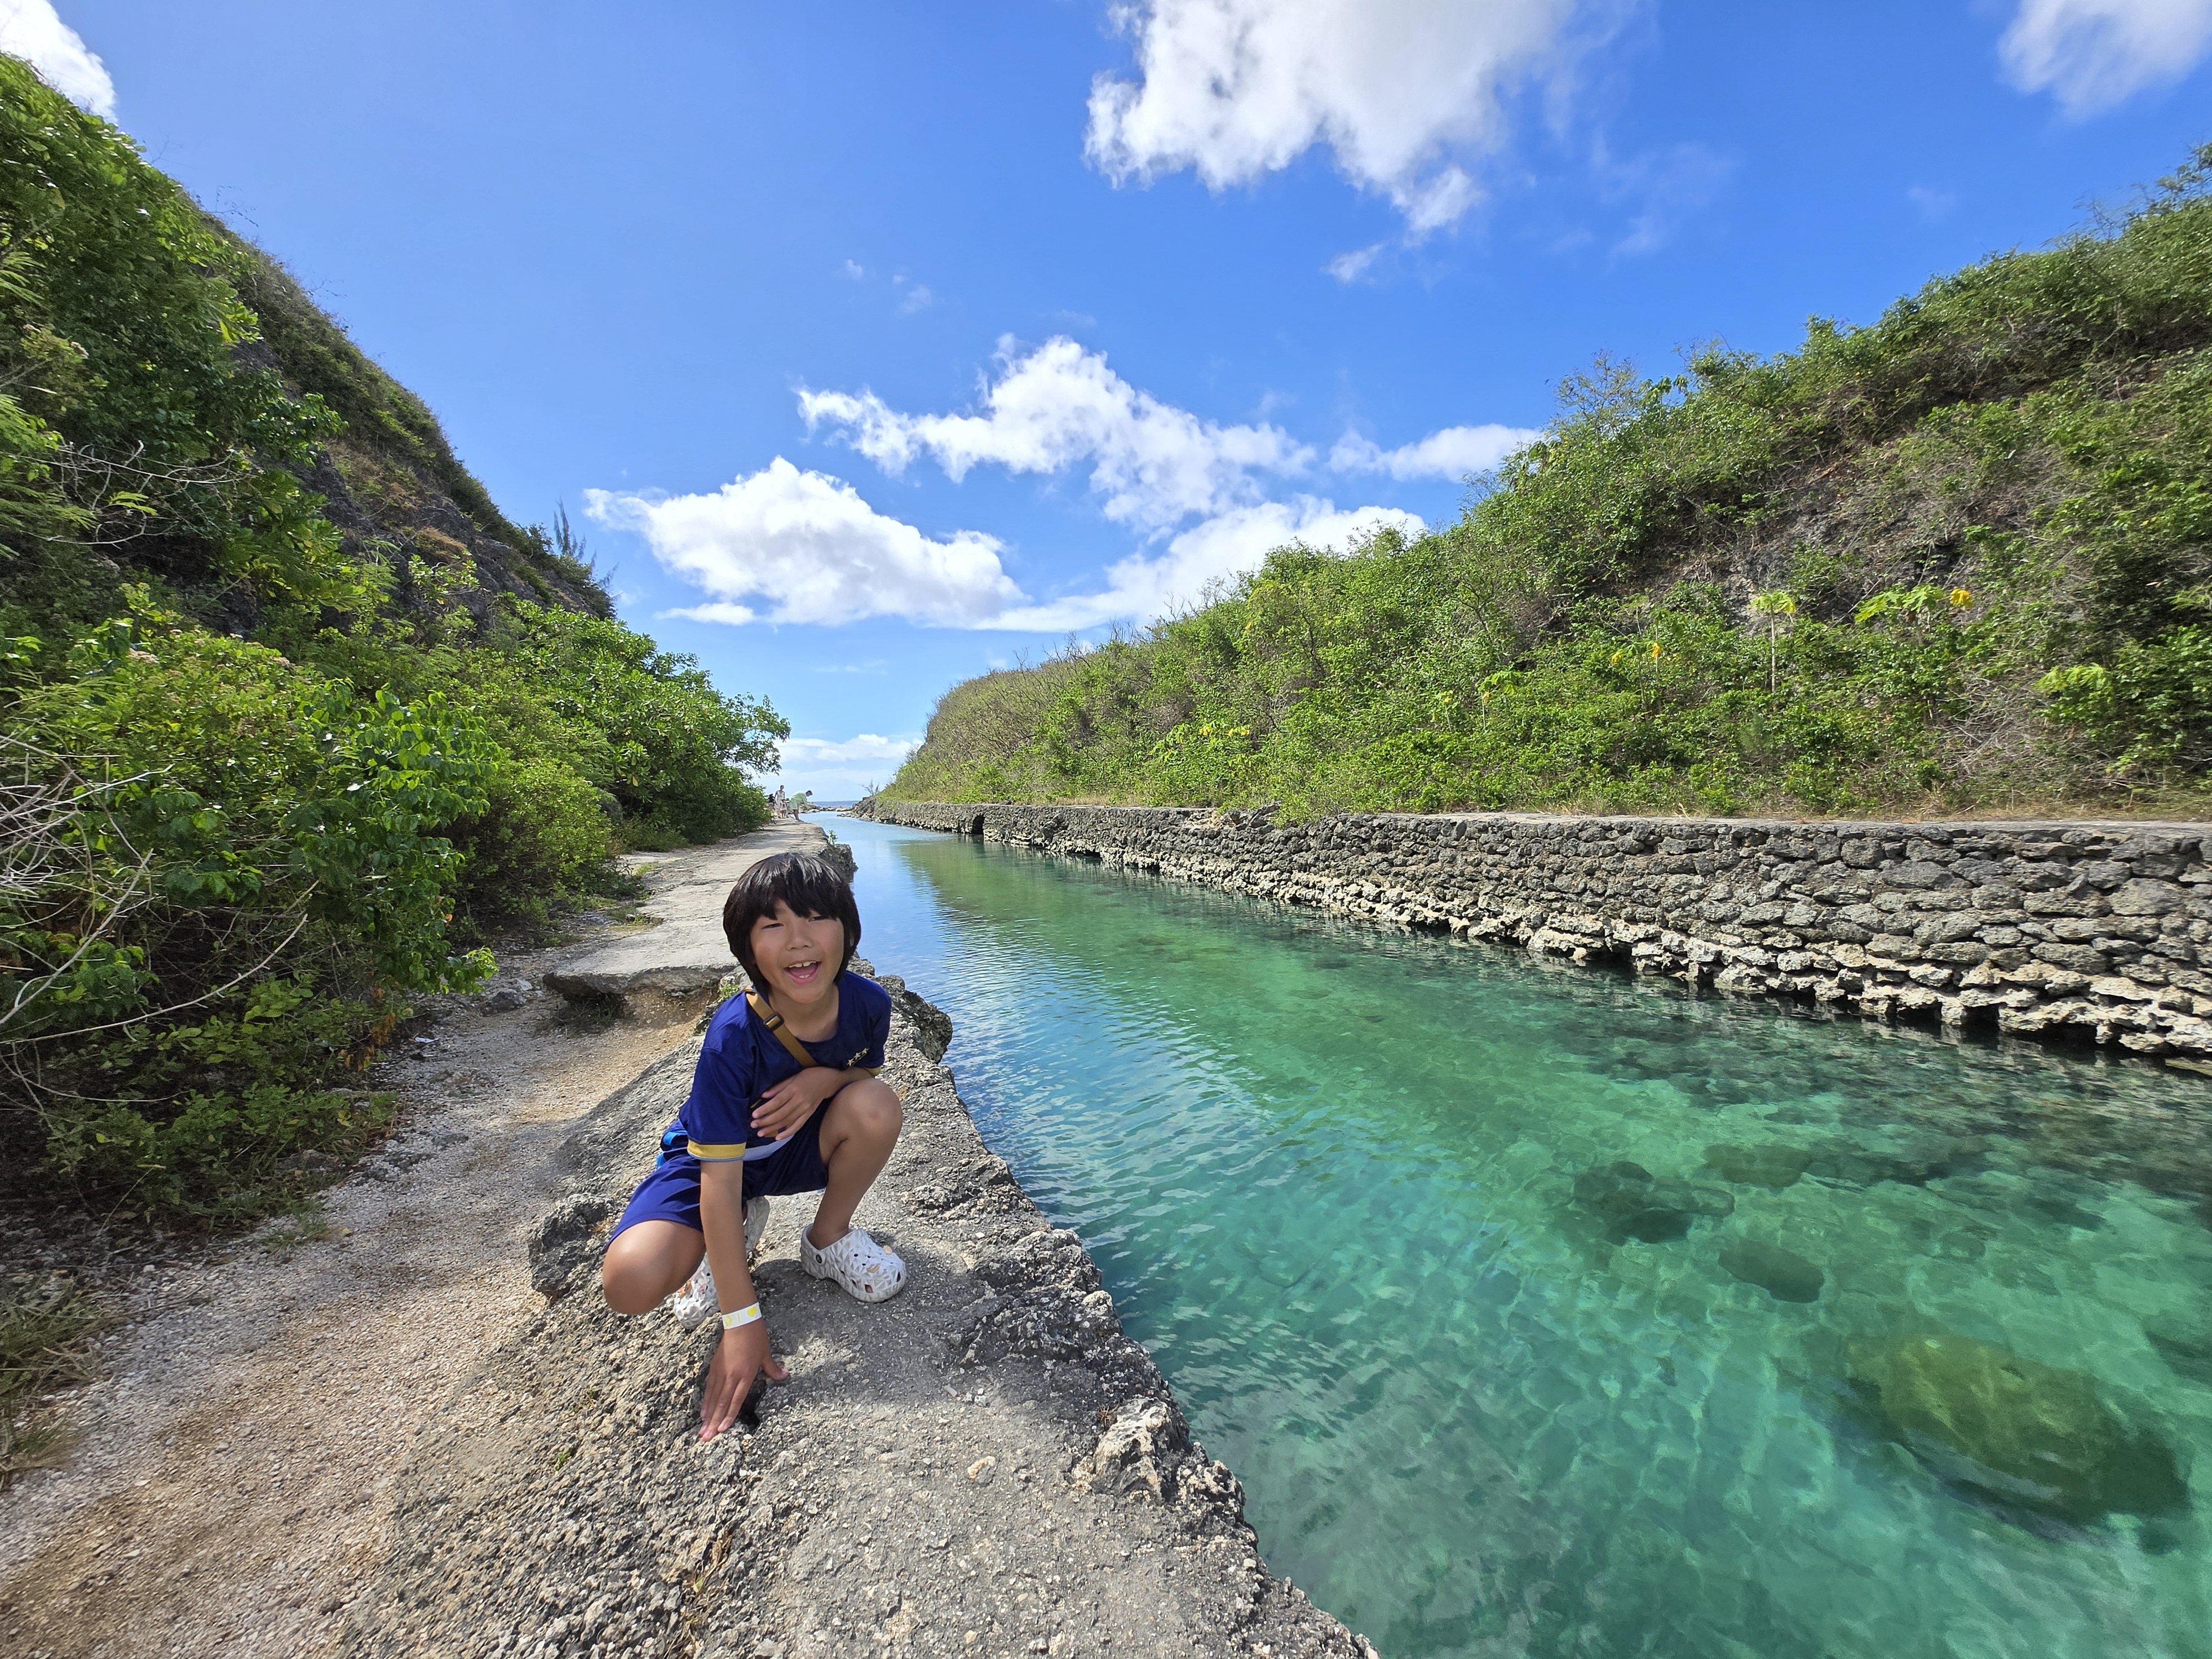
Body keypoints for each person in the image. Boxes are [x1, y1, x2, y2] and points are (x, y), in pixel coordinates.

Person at [600, 851, 907, 1439]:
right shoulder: (732, 1036)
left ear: (848, 930)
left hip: (792, 1150)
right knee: (631, 1280)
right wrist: (741, 1322)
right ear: (747, 950)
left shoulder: (870, 1005)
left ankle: (827, 1239)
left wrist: (826, 1078)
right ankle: (737, 1227)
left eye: (817, 918)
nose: (798, 941)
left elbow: (865, 1075)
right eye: (772, 926)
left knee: (877, 1106)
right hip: (714, 1167)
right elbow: (717, 1176)